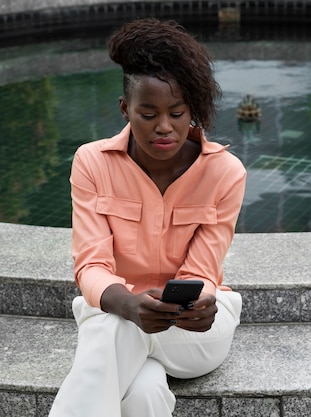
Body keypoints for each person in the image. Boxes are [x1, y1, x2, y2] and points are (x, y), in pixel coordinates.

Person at [49, 18, 246, 417]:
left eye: (177, 113)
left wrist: (200, 302)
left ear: (192, 109)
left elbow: (202, 270)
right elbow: (91, 264)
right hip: (116, 309)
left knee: (112, 331)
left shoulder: (225, 172)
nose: (164, 128)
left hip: (194, 332)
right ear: (125, 109)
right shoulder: (92, 163)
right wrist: (130, 304)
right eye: (148, 113)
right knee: (144, 393)